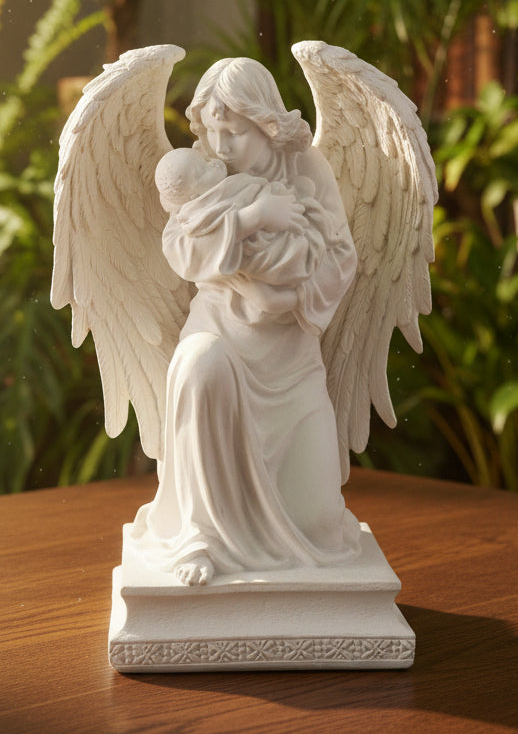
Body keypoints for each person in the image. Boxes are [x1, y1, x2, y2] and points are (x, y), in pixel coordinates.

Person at [130, 57, 362, 586]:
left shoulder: (307, 170)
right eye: (213, 131)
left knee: (321, 525)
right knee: (198, 364)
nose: (222, 146)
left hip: (289, 361)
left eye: (233, 131)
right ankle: (199, 537)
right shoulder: (203, 174)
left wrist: (290, 299)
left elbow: (341, 257)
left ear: (266, 122)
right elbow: (179, 243)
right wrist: (247, 267)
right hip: (223, 339)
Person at [153, 146, 324, 323]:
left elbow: (261, 191)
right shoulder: (193, 217)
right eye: (203, 170)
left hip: (290, 241)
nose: (213, 163)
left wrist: (275, 194)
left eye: (205, 159)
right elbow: (192, 255)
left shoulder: (233, 182)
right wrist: (256, 216)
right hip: (253, 274)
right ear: (194, 196)